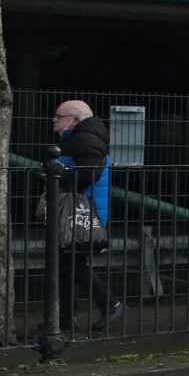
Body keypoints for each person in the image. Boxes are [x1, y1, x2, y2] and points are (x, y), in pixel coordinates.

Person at [50, 99, 122, 332]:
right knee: (69, 263)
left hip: (80, 212)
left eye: (59, 116)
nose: (55, 119)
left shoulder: (85, 139)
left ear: (75, 119)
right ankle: (66, 320)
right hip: (84, 210)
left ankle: (111, 303)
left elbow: (88, 173)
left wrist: (58, 178)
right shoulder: (88, 137)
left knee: (69, 264)